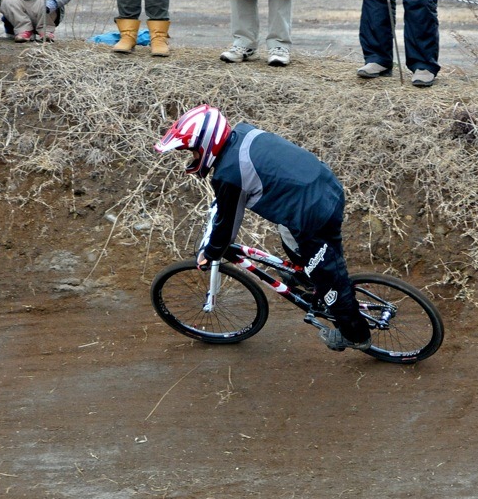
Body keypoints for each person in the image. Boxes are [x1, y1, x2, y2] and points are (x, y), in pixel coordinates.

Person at [154, 104, 373, 352]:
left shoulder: (229, 175)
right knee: (288, 232)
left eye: (193, 151)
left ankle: (356, 334)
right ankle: (306, 275)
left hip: (314, 211)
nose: (193, 157)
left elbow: (227, 226)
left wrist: (212, 252)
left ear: (207, 145)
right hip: (322, 184)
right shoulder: (243, 133)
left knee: (330, 282)